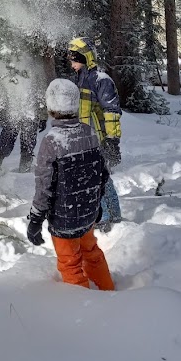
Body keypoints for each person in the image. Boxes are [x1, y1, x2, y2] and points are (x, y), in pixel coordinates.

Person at [26, 78, 115, 290]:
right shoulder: (89, 132)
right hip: (88, 213)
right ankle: (109, 292)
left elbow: (44, 185)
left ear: (51, 107)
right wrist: (98, 203)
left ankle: (83, 309)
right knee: (92, 253)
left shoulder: (52, 141)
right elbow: (101, 174)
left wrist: (36, 218)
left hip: (64, 218)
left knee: (70, 263)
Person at [67, 36, 123, 230]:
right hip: (85, 139)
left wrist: (112, 139)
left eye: (74, 58)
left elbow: (111, 112)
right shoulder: (81, 78)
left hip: (98, 140)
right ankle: (114, 215)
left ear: (84, 58)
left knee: (94, 181)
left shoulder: (101, 80)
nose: (72, 63)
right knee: (102, 178)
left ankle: (101, 220)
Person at [0, 49, 55, 181]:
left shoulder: (32, 63)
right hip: (11, 114)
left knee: (28, 146)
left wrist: (43, 115)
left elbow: (40, 90)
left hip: (30, 113)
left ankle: (25, 175)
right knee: (4, 146)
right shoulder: (4, 65)